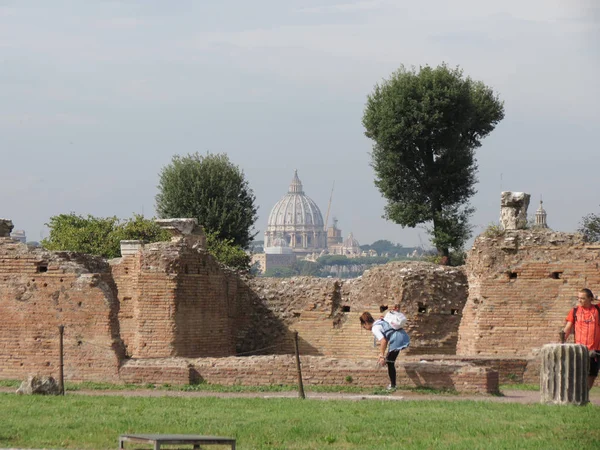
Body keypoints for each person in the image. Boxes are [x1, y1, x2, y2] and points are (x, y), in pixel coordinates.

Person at [360, 311, 410, 391]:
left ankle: (393, 386)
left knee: (390, 362)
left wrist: (381, 356)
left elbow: (383, 341)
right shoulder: (380, 321)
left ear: (365, 323)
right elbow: (386, 339)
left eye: (364, 327)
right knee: (389, 361)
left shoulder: (375, 328)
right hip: (402, 336)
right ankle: (393, 385)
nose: (365, 329)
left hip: (397, 339)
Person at [562, 288, 600, 390]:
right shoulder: (575, 311)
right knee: (577, 373)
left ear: (590, 299)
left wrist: (596, 297)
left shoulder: (597, 309)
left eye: (582, 298)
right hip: (579, 349)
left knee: (592, 374)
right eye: (578, 298)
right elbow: (568, 328)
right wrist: (562, 340)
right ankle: (577, 394)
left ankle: (585, 394)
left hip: (594, 349)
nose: (580, 300)